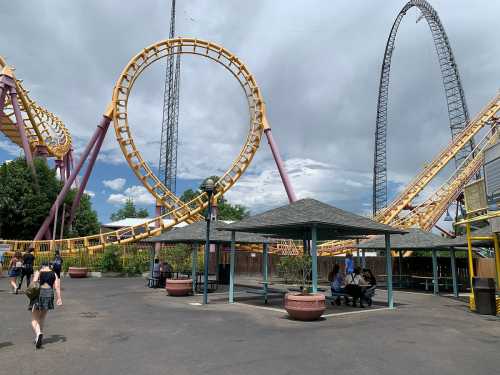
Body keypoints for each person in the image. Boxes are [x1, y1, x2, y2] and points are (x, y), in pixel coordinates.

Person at [30, 261, 63, 348]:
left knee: (34, 318)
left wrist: (36, 277)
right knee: (42, 317)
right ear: (49, 266)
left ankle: (38, 333)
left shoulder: (39, 272)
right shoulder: (54, 274)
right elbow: (57, 287)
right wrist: (59, 298)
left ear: (41, 265)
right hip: (49, 294)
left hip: (39, 294)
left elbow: (34, 283)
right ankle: (38, 336)